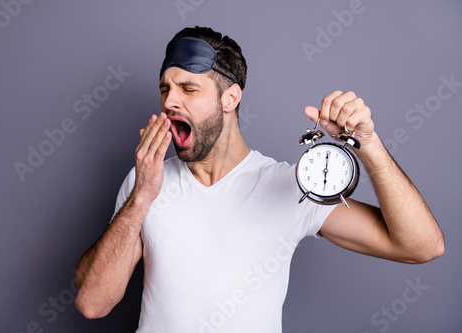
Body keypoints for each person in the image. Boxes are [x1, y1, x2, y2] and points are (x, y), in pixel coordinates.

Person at [73, 26, 444, 332]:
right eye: (165, 88)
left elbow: (421, 247)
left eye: (188, 89)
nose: (170, 101)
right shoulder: (147, 181)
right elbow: (92, 303)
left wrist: (369, 144)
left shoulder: (289, 187)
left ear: (230, 98)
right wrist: (140, 197)